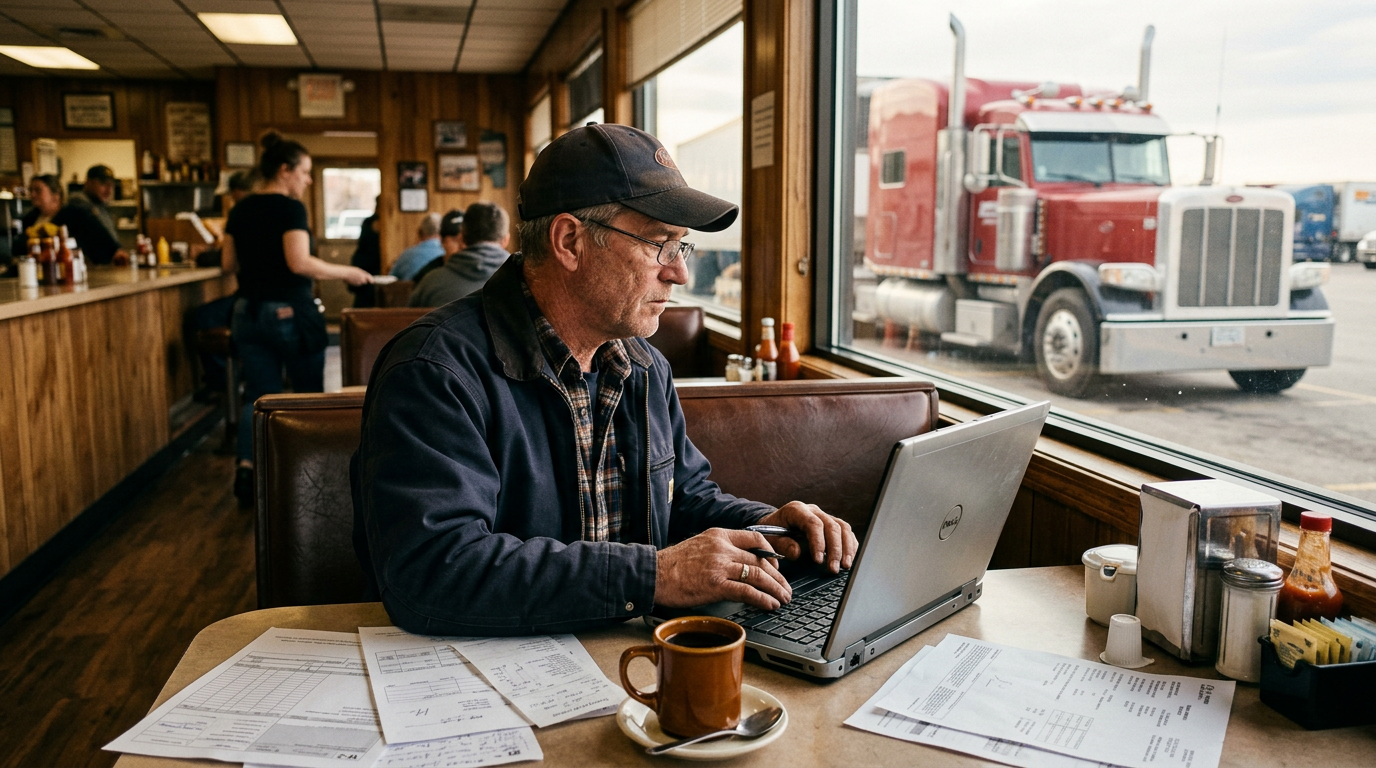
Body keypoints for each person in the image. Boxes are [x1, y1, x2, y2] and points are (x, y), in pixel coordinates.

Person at [352, 124, 858, 636]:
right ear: (570, 241)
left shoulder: (643, 366)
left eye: (682, 247)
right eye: (661, 243)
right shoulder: (434, 372)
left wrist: (769, 527)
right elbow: (434, 570)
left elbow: (682, 497)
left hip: (624, 653)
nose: (679, 274)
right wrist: (654, 576)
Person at [223, 132, 372, 505]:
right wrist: (348, 272)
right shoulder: (290, 209)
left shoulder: (239, 209)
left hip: (247, 312)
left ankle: (247, 471)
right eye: (305, 172)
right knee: (308, 399)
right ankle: (307, 479)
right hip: (287, 311)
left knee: (257, 396)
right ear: (285, 170)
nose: (307, 180)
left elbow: (227, 265)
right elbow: (299, 263)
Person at [409, 202, 510, 307]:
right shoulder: (523, 281)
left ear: (462, 239)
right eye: (453, 240)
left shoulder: (429, 283)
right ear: (506, 240)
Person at [58, 164, 127, 265]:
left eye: (111, 185)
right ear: (88, 183)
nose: (109, 189)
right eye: (103, 184)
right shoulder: (79, 206)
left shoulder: (101, 207)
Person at [409, 208, 462, 287]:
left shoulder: (479, 271)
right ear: (442, 241)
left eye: (466, 239)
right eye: (455, 240)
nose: (463, 245)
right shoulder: (427, 275)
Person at [387, 212, 445, 282]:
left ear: (420, 232)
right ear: (443, 233)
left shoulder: (406, 254)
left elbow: (391, 278)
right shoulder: (446, 254)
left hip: (410, 292)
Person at [348, 196, 382, 308]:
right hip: (367, 264)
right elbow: (363, 244)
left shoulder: (371, 221)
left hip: (372, 264)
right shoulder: (369, 222)